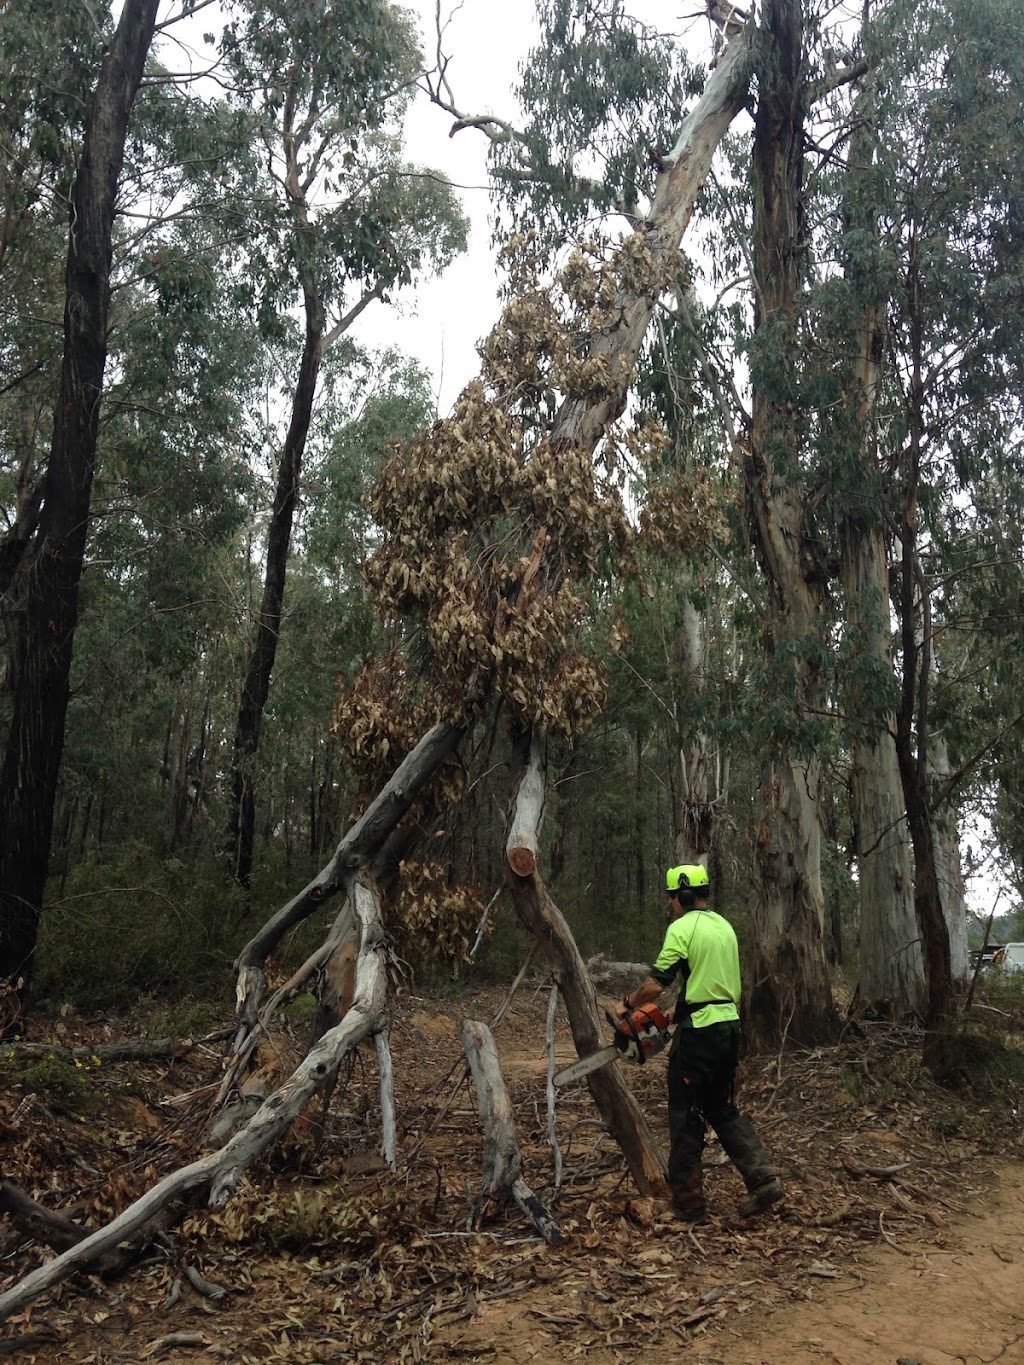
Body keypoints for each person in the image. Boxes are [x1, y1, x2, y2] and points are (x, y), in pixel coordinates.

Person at [613, 863, 783, 1224]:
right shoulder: (723, 926)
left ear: (683, 895)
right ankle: (763, 1178)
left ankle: (689, 1203)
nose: (670, 905)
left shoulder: (681, 928)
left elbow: (657, 983)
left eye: (672, 898)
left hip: (701, 1033)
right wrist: (678, 1010)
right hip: (729, 1027)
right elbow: (712, 983)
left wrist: (630, 1002)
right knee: (722, 1108)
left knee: (686, 1113)